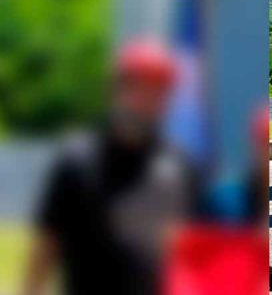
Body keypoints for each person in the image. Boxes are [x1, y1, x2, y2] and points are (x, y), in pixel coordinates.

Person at [21, 39, 197, 295]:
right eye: (139, 87)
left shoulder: (179, 166)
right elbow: (47, 244)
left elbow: (187, 254)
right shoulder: (77, 160)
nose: (147, 100)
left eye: (158, 90)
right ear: (118, 91)